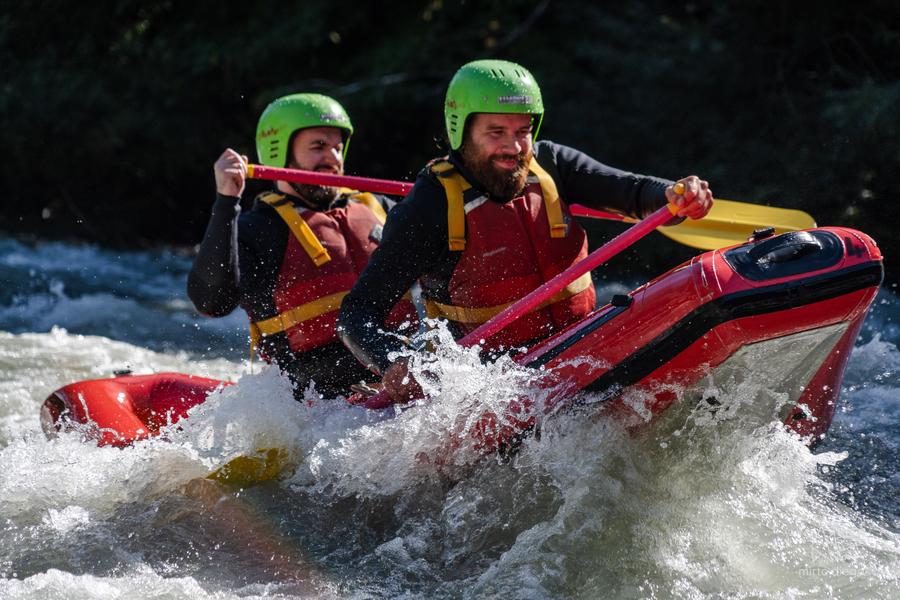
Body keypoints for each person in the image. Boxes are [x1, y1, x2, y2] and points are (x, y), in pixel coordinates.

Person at [337, 59, 713, 404]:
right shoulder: (428, 207)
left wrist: (673, 195)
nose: (513, 147)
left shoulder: (551, 163)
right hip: (493, 384)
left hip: (581, 344)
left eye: (523, 131)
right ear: (461, 131)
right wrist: (393, 363)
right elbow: (356, 315)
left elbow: (634, 193)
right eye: (496, 132)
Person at [188, 93, 415, 397]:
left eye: (337, 147)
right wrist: (226, 201)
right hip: (316, 399)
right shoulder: (259, 231)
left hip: (401, 375)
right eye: (318, 147)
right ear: (279, 152)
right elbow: (212, 302)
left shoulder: (382, 209)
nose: (333, 158)